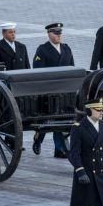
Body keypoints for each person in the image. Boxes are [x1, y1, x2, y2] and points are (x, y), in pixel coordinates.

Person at [32, 23, 75, 158]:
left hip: (64, 92)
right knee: (46, 121)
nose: (58, 36)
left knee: (60, 120)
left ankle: (59, 148)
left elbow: (71, 67)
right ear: (49, 34)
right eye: (55, 33)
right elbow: (38, 71)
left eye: (60, 33)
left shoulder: (66, 49)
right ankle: (38, 140)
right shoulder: (42, 49)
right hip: (48, 92)